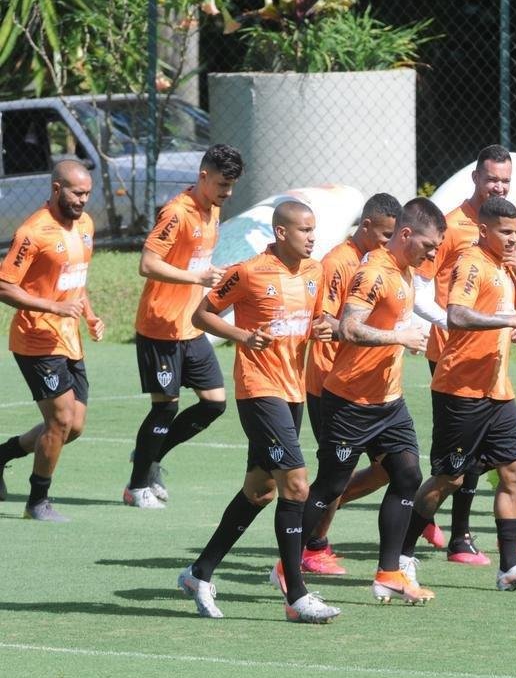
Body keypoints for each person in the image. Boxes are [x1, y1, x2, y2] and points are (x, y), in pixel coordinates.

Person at [177, 200, 339, 622]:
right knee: (296, 485)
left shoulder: (315, 271)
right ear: (282, 233)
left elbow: (321, 318)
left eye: (313, 229)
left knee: (259, 490)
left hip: (292, 391)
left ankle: (200, 572)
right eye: (304, 230)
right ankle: (296, 596)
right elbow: (202, 315)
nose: (312, 237)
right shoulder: (247, 272)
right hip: (258, 390)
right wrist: (242, 336)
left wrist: (325, 327)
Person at [401, 195, 516, 590]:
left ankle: (509, 567)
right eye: (504, 233)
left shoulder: (505, 266)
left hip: (496, 389)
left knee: (515, 470)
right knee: (448, 480)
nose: (512, 239)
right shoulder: (472, 263)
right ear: (484, 230)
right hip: (460, 388)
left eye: (515, 232)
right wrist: (508, 319)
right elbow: (456, 315)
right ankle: (400, 556)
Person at [299, 198, 445, 604]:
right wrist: (399, 337)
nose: (433, 253)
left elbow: (393, 320)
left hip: (388, 401)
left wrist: (415, 330)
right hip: (350, 399)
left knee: (407, 475)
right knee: (329, 488)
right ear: (405, 234)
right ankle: (288, 565)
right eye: (429, 245)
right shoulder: (373, 272)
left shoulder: (406, 271)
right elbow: (347, 326)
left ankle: (389, 573)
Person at [124, 144, 243, 509]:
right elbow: (147, 264)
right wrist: (196, 277)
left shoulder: (214, 210)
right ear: (203, 177)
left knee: (214, 403)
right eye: (223, 184)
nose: (228, 192)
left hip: (190, 327)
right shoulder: (176, 213)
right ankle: (136, 486)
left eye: (232, 185)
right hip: (160, 326)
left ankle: (151, 456)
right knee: (165, 408)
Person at [412, 144, 515, 565]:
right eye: (492, 178)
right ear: (475, 177)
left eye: (505, 180)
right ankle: (433, 538)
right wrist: (444, 324)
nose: (498, 186)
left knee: (494, 462)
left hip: (489, 350)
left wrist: (508, 321)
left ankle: (465, 537)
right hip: (452, 350)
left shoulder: (503, 227)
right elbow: (419, 284)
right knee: (455, 466)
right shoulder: (453, 226)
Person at [298, 192, 402, 575]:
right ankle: (313, 547)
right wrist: (362, 332)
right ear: (367, 225)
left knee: (392, 470)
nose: (389, 242)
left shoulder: (387, 263)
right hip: (331, 384)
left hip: (370, 388)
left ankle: (322, 512)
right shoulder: (339, 263)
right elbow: (322, 323)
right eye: (384, 234)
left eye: (395, 235)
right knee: (334, 476)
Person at [0, 160, 103, 522]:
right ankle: (37, 502)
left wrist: (89, 315)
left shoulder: (86, 225)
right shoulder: (33, 231)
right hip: (35, 339)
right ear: (57, 189)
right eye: (77, 193)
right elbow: (4, 285)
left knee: (72, 427)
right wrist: (52, 307)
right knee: (59, 420)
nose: (83, 200)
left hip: (69, 338)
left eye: (88, 193)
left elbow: (76, 278)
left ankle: (2, 455)